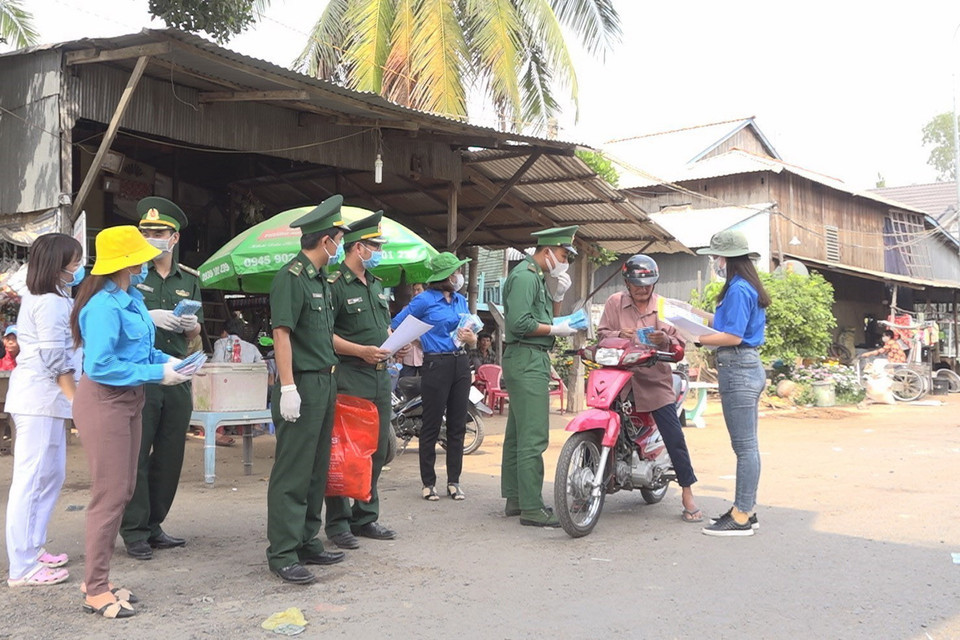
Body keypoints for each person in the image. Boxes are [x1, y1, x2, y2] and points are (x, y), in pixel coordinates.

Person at [70, 226, 192, 618]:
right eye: (141, 255)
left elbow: (145, 348)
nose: (147, 260)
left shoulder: (130, 298)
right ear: (126, 263)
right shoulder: (102, 307)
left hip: (129, 399)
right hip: (105, 401)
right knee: (109, 497)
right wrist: (158, 375)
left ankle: (98, 579)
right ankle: (95, 589)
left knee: (123, 490)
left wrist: (167, 362)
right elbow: (101, 365)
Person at [266, 195, 351, 585]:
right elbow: (281, 334)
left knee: (317, 468)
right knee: (293, 471)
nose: (342, 247)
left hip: (325, 380)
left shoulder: (320, 280)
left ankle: (306, 540)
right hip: (300, 381)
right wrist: (287, 387)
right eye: (339, 239)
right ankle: (283, 552)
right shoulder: (291, 277)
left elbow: (321, 335)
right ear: (326, 240)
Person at [119, 197, 204, 561]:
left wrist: (193, 326)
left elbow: (197, 337)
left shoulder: (190, 279)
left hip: (178, 374)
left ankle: (155, 525)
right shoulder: (131, 274)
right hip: (143, 376)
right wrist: (146, 316)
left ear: (174, 237)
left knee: (170, 454)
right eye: (146, 232)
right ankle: (134, 530)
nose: (151, 237)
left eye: (159, 232)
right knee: (136, 454)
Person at [597, 254, 701, 522]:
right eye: (637, 284)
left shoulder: (665, 308)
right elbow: (601, 335)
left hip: (655, 380)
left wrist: (664, 339)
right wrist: (621, 335)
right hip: (619, 378)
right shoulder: (614, 303)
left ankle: (687, 492)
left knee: (674, 436)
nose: (643, 290)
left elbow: (679, 348)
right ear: (627, 282)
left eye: (648, 285)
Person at [4, 234, 82, 588]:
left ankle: (33, 548)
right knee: (33, 480)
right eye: (74, 262)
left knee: (50, 476)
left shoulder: (54, 297)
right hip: (39, 399)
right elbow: (54, 359)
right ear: (58, 264)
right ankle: (21, 566)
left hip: (48, 402)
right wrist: (78, 402)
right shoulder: (48, 301)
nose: (78, 268)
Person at [324, 211, 397, 550]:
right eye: (374, 245)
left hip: (381, 378)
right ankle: (338, 523)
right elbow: (324, 335)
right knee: (345, 452)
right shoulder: (335, 284)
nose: (379, 251)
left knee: (377, 450)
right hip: (351, 376)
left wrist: (394, 338)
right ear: (356, 247)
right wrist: (360, 351)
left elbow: (382, 329)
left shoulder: (377, 285)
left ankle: (365, 516)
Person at [500, 226, 580, 527]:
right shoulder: (524, 277)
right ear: (547, 251)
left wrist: (558, 294)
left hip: (528, 355)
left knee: (518, 434)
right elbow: (521, 323)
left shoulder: (534, 277)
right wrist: (557, 330)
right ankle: (532, 508)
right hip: (526, 356)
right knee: (534, 436)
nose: (564, 262)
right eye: (562, 255)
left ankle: (516, 499)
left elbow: (546, 318)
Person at [694, 230, 770, 537]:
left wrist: (696, 338)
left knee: (745, 447)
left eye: (715, 256)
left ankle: (741, 515)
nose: (714, 262)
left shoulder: (738, 290)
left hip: (738, 366)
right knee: (746, 446)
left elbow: (733, 336)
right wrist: (691, 314)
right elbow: (725, 324)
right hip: (744, 366)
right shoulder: (743, 286)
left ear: (728, 258)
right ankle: (745, 510)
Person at [391, 252, 477, 501]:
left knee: (457, 424)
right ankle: (428, 483)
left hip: (461, 363)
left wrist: (471, 339)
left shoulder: (460, 300)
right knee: (431, 425)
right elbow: (396, 324)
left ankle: (454, 481)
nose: (459, 277)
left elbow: (472, 328)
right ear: (444, 277)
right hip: (435, 364)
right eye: (455, 273)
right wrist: (412, 341)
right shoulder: (424, 300)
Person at [210, 316, 264, 445]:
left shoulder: (221, 343)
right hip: (248, 396)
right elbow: (262, 367)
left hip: (225, 394)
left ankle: (217, 430)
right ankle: (250, 427)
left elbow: (216, 364)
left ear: (224, 332)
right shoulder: (252, 347)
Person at [398, 283, 425, 378]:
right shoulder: (406, 309)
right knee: (404, 384)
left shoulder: (430, 310)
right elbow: (400, 332)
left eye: (418, 290)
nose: (415, 293)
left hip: (425, 355)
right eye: (414, 290)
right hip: (408, 355)